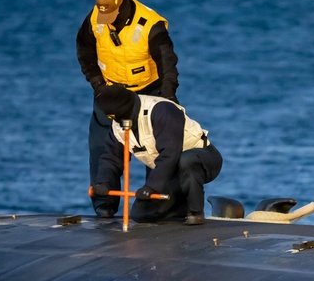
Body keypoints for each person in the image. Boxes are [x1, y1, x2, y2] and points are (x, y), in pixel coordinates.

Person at [76, 0, 180, 218]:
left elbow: (168, 64)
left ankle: (154, 206)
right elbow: (84, 50)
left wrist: (167, 98)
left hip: (148, 91)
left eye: (112, 15)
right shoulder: (95, 17)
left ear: (122, 5)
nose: (107, 20)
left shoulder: (150, 24)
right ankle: (104, 202)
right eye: (104, 14)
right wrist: (98, 86)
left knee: (159, 149)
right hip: (110, 91)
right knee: (101, 146)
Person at [90, 85, 221, 226]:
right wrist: (104, 182)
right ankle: (178, 203)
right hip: (171, 170)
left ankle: (196, 212)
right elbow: (111, 159)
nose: (114, 121)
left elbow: (169, 154)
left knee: (186, 161)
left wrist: (151, 187)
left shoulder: (161, 110)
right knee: (140, 214)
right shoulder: (118, 125)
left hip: (203, 158)